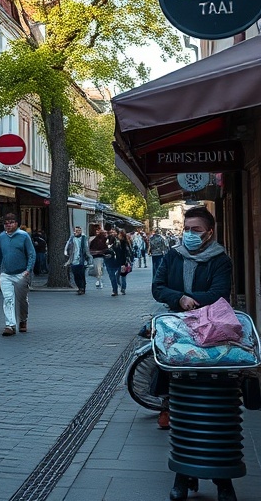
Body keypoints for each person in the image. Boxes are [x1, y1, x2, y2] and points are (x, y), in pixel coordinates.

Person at [151, 207, 236, 501]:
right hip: (178, 335)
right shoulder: (173, 255)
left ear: (210, 232)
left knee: (215, 408)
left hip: (212, 335)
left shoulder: (220, 259)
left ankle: (223, 479)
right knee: (184, 404)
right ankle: (183, 476)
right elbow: (158, 287)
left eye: (196, 229)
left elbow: (221, 293)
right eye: (187, 228)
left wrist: (194, 300)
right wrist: (179, 299)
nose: (190, 234)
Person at [0, 213, 35, 336]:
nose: (8, 225)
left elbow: (31, 254)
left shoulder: (24, 236)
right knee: (8, 299)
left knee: (22, 300)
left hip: (21, 273)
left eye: (11, 222)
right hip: (6, 274)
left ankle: (23, 320)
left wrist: (28, 270)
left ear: (16, 224)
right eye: (6, 223)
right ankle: (10, 325)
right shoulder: (1, 237)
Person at [103, 228, 132, 296]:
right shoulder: (107, 239)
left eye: (114, 232)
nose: (112, 233)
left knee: (120, 276)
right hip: (109, 261)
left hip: (119, 261)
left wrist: (124, 263)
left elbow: (125, 252)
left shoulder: (122, 241)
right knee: (112, 277)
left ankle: (122, 288)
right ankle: (115, 290)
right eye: (111, 232)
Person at [64, 225, 92, 295]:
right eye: (76, 230)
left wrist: (89, 257)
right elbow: (67, 247)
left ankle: (82, 288)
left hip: (81, 259)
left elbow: (86, 248)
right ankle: (80, 287)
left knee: (81, 274)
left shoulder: (84, 238)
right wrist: (66, 253)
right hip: (73, 259)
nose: (78, 232)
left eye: (79, 230)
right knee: (76, 275)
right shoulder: (72, 238)